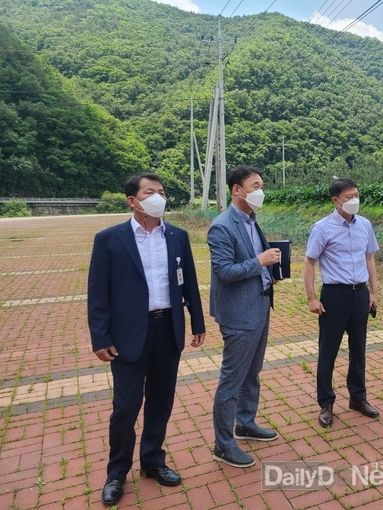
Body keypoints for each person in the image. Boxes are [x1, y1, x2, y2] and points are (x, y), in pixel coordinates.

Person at [87, 173, 205, 507]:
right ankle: (116, 473)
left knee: (161, 401)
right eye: (150, 192)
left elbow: (189, 282)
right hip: (128, 335)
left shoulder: (178, 236)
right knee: (125, 407)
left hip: (168, 329)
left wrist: (197, 321)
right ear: (132, 201)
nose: (158, 198)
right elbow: (98, 292)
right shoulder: (110, 239)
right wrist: (100, 337)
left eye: (162, 192)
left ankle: (153, 461)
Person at [208, 165, 281, 468]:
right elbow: (224, 271)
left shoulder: (251, 220)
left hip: (260, 305)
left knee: (252, 372)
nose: (260, 191)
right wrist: (260, 261)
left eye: (262, 185)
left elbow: (252, 263)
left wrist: (270, 271)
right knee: (232, 379)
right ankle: (223, 444)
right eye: (255, 186)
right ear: (237, 190)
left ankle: (246, 423)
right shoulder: (222, 227)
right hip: (239, 314)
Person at [303, 178, 380, 428]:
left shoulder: (365, 225)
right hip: (334, 295)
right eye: (349, 197)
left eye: (356, 195)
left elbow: (369, 258)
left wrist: (373, 292)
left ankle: (358, 398)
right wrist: (312, 298)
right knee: (328, 350)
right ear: (336, 200)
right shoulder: (322, 228)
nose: (354, 200)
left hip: (359, 294)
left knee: (359, 348)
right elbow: (309, 262)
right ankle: (326, 403)